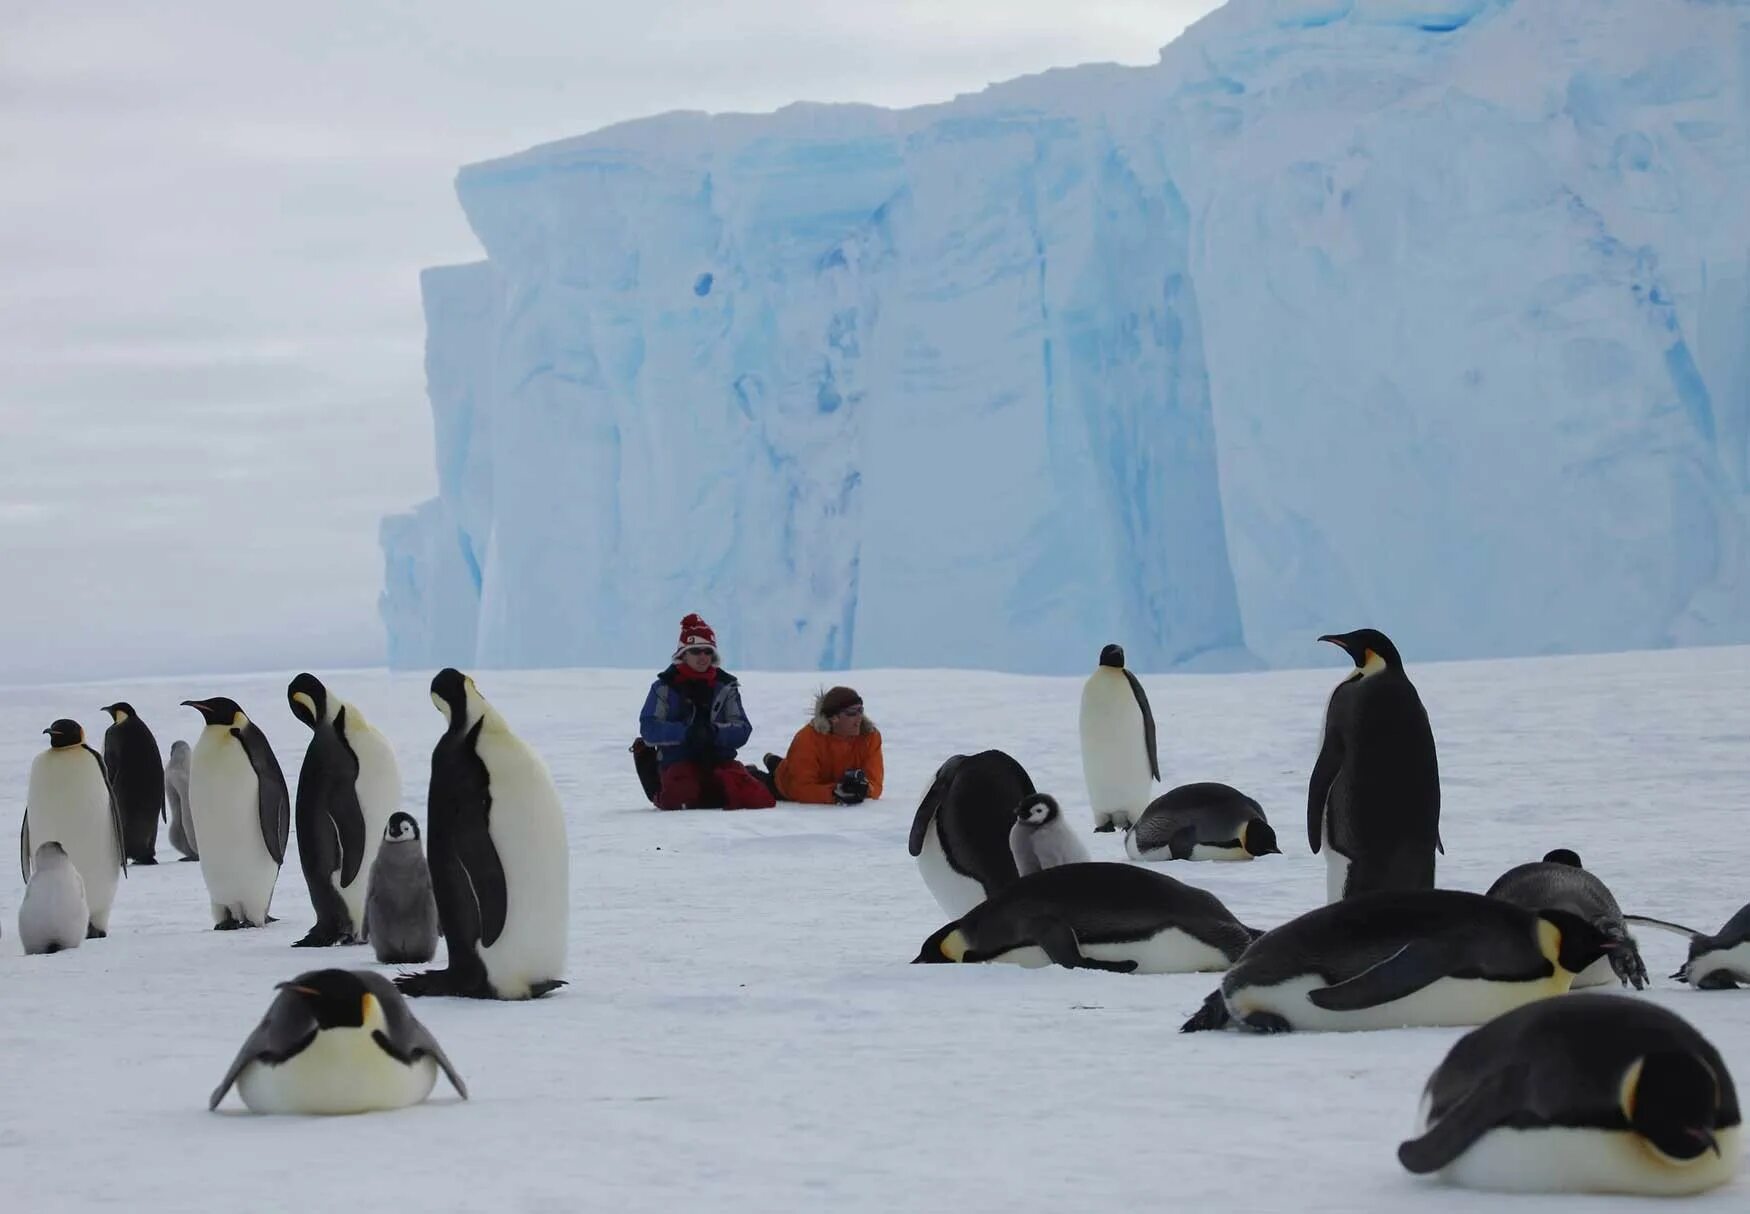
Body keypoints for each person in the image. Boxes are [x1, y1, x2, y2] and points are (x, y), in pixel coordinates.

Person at [633, 613, 776, 811]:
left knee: (758, 800)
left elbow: (743, 728)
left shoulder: (726, 687)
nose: (702, 657)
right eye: (696, 651)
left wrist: (714, 732)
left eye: (707, 652)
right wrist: (687, 733)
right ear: (683, 654)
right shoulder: (663, 687)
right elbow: (649, 727)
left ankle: (743, 775)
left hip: (718, 760)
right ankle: (658, 787)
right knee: (681, 799)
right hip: (678, 760)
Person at [758, 686, 885, 806]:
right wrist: (835, 793)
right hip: (785, 784)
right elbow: (799, 789)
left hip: (819, 772)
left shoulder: (870, 737)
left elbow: (875, 785)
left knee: (790, 764)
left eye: (860, 710)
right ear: (834, 718)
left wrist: (865, 789)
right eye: (852, 713)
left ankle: (773, 761)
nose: (859, 718)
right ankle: (762, 768)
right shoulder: (807, 739)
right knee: (759, 783)